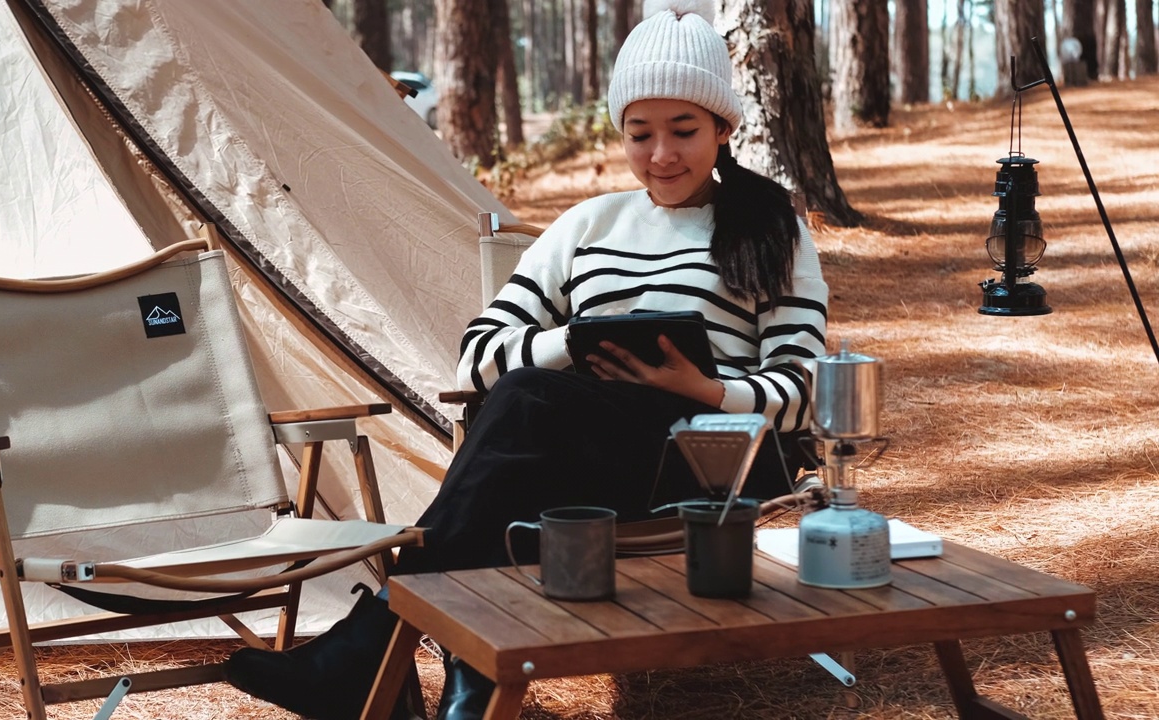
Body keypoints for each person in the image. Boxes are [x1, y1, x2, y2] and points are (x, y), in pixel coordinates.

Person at [223, 0, 828, 717]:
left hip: (711, 459)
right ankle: (462, 682)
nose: (661, 154)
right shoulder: (587, 226)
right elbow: (475, 360)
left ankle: (376, 647)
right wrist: (570, 341)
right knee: (520, 412)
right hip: (580, 449)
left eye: (684, 131)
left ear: (725, 127)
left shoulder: (768, 226)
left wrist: (703, 387)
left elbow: (801, 385)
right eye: (640, 134)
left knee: (524, 407)